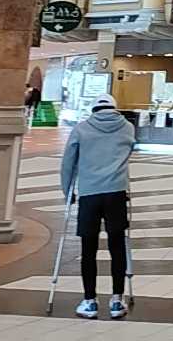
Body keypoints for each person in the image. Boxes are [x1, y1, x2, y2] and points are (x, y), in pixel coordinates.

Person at [60, 94, 135, 319]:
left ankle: (90, 301)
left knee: (88, 248)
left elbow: (68, 162)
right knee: (117, 246)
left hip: (89, 194)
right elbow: (128, 151)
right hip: (116, 193)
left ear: (93, 110)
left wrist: (67, 191)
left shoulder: (81, 129)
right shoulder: (127, 127)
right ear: (114, 108)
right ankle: (117, 300)